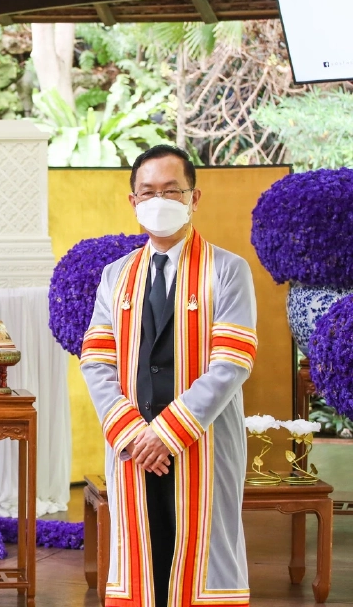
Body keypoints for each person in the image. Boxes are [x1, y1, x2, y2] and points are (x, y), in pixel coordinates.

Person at [80, 145, 257, 607]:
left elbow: (232, 362)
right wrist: (134, 434)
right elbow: (97, 362)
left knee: (201, 559)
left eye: (171, 190)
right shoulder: (114, 276)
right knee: (142, 556)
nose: (159, 200)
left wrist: (169, 432)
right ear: (133, 201)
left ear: (194, 198)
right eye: (148, 191)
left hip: (204, 439)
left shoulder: (229, 271)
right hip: (134, 446)